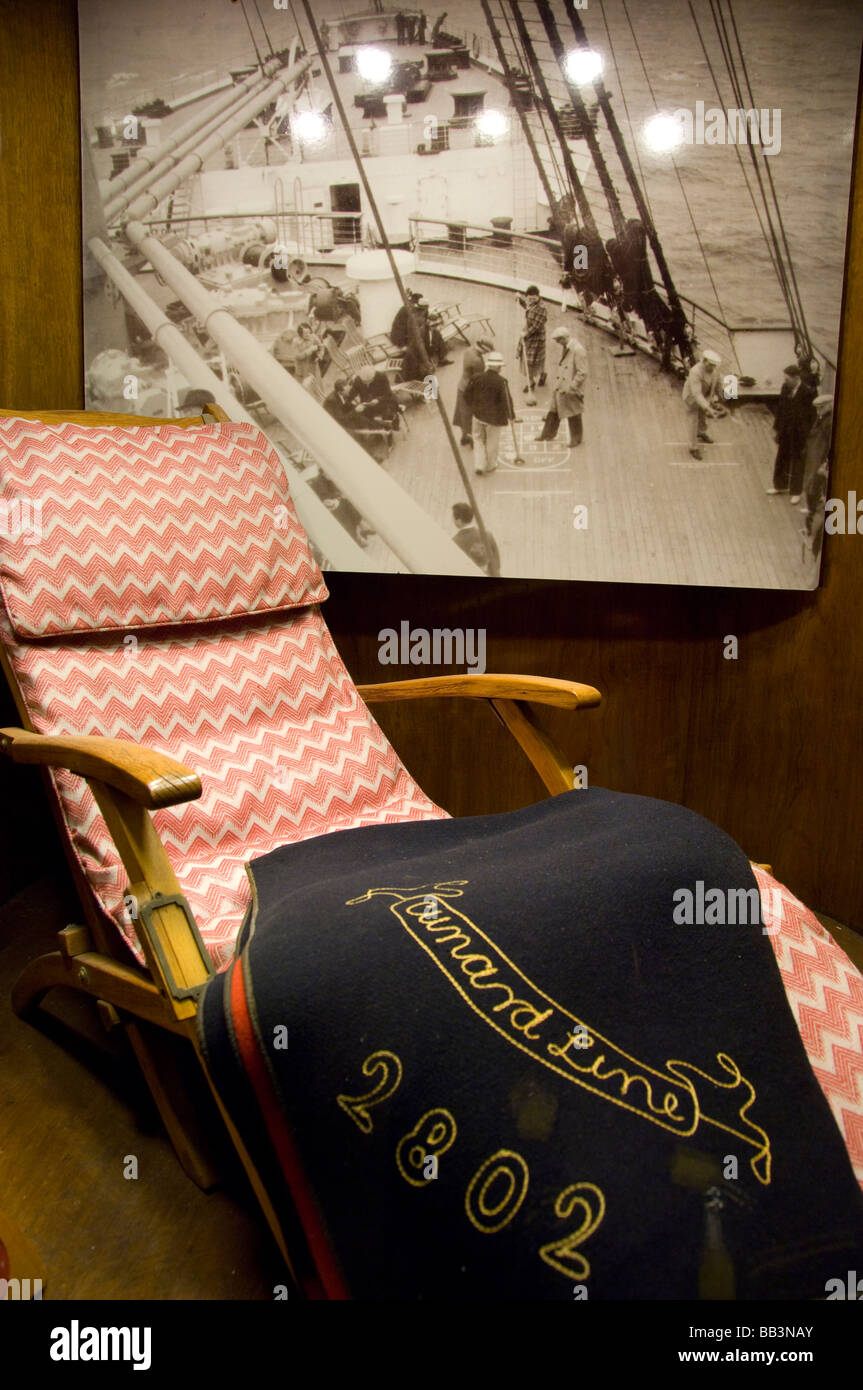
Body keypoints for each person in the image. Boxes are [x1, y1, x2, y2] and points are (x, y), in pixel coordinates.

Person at [767, 363, 817, 501]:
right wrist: (776, 429)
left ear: (796, 378)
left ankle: (796, 492)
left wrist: (808, 435)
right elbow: (781, 409)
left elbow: (812, 416)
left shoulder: (808, 392)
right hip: (785, 431)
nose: (785, 382)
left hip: (799, 433)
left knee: (798, 461)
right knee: (781, 458)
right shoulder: (785, 388)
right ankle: (779, 485)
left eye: (787, 379)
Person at [462, 351, 515, 476]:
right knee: (492, 442)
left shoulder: (476, 378)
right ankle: (491, 465)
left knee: (478, 440)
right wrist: (511, 415)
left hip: (478, 415)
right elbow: (506, 400)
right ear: (496, 367)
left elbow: (466, 395)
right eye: (500, 366)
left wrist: (473, 407)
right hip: (494, 419)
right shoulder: (502, 382)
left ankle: (479, 465)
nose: (501, 368)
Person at [536, 327, 587, 448]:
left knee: (574, 413)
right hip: (561, 386)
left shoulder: (578, 350)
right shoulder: (567, 348)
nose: (558, 344)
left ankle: (576, 439)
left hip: (570, 389)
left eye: (558, 341)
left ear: (564, 338)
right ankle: (548, 434)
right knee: (553, 410)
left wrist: (572, 387)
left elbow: (582, 372)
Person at [682, 348, 722, 460]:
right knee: (693, 421)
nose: (713, 368)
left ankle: (702, 432)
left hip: (704, 396)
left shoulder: (714, 370)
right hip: (692, 399)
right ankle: (693, 448)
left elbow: (717, 383)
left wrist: (721, 398)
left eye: (714, 365)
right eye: (711, 365)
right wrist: (709, 408)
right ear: (704, 361)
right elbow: (696, 394)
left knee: (703, 417)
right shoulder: (695, 372)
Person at [452, 336, 493, 446]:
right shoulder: (477, 361)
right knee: (470, 415)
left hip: (461, 386)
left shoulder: (468, 351)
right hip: (470, 390)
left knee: (462, 413)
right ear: (483, 349)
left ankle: (464, 437)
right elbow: (478, 380)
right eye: (486, 352)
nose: (486, 354)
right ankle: (471, 439)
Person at [346, 364, 401, 430]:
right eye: (364, 382)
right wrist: (352, 404)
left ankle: (390, 425)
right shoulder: (358, 380)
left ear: (374, 377)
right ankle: (377, 429)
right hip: (368, 404)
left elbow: (388, 394)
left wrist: (378, 400)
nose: (367, 384)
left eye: (369, 381)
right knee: (361, 416)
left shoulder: (381, 376)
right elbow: (352, 394)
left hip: (384, 401)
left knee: (388, 414)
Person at [452, 501, 500, 575]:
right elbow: (497, 564)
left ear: (459, 521)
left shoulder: (455, 542)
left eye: (453, 518)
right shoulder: (488, 534)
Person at [517, 285, 547, 405]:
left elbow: (536, 326)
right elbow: (527, 308)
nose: (531, 300)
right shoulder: (531, 303)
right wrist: (520, 300)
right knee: (531, 361)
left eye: (534, 298)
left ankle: (534, 380)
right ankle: (536, 378)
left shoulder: (541, 309)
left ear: (538, 296)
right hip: (529, 336)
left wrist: (525, 334)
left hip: (536, 338)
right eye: (529, 298)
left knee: (532, 361)